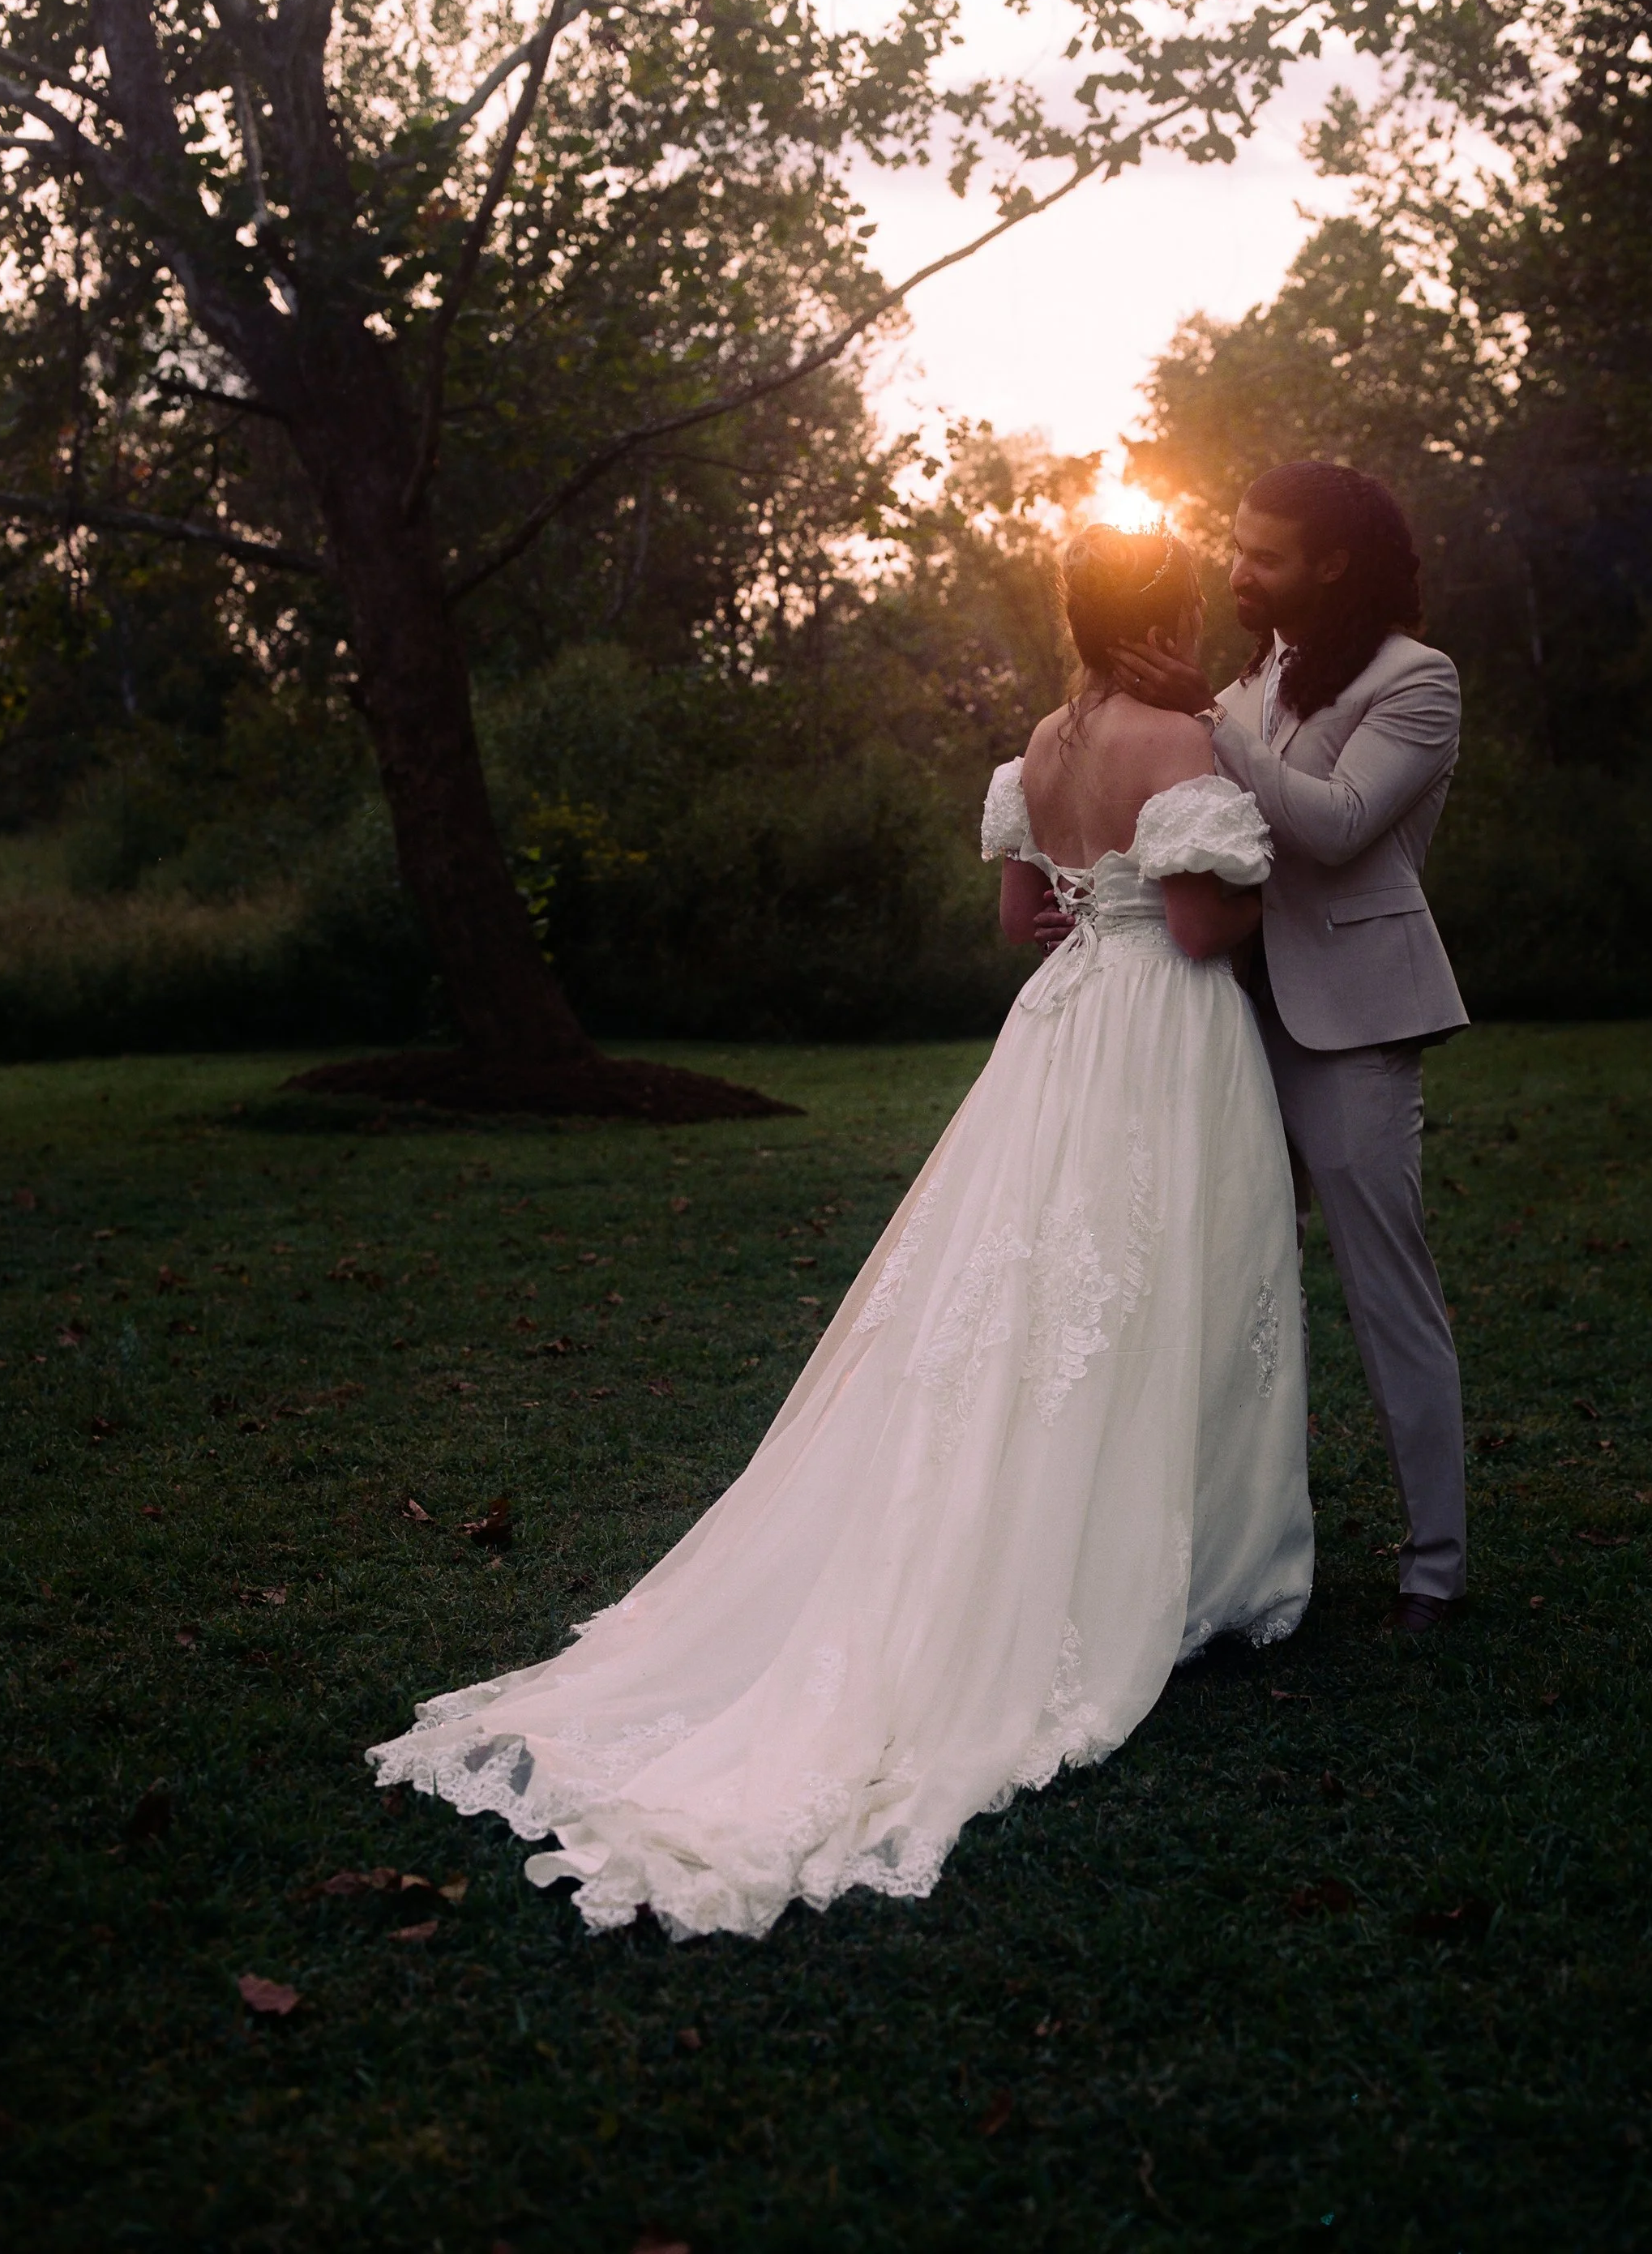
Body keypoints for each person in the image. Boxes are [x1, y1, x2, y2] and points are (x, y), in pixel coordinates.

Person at [369, 525, 1314, 1940]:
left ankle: (1133, 1537)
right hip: (1159, 1038)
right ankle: (1191, 1569)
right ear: (1169, 607)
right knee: (1166, 1280)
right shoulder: (1179, 739)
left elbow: (1018, 920)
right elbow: (1191, 929)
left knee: (1049, 1297)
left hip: (1057, 1035)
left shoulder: (1042, 749)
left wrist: (1100, 907)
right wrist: (1259, 877)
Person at [1111, 461, 1470, 1634]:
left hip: (1354, 1022)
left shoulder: (1417, 680)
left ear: (1333, 564)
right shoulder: (1252, 679)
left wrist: (1209, 721)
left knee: (1385, 1292)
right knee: (1220, 1278)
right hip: (1229, 1014)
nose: (1236, 569)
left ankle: (1433, 1566)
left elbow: (1337, 825)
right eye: (1235, 545)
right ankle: (1207, 1549)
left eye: (1263, 554)